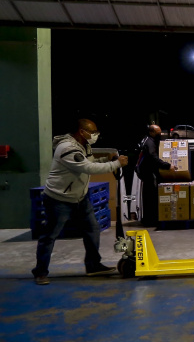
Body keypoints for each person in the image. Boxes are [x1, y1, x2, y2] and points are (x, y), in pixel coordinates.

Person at [32, 119, 129, 285]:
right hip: (59, 199)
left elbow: (89, 163)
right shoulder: (67, 148)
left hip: (80, 198)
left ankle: (93, 265)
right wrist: (116, 164)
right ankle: (40, 272)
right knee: (49, 236)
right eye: (92, 132)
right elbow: (87, 168)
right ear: (81, 131)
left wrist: (107, 160)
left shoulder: (84, 145)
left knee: (92, 230)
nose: (95, 135)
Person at [135, 124, 175, 227]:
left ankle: (148, 219)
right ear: (151, 132)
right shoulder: (149, 143)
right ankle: (150, 220)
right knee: (151, 196)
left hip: (144, 171)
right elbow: (153, 158)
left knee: (148, 195)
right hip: (147, 172)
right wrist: (167, 165)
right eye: (158, 133)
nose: (160, 135)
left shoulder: (146, 140)